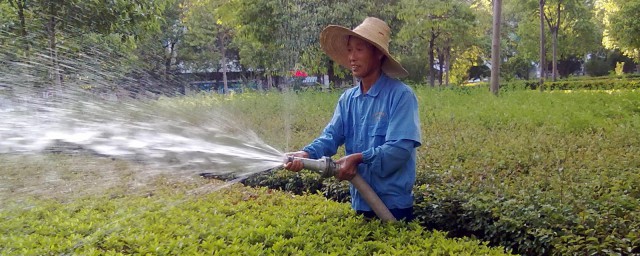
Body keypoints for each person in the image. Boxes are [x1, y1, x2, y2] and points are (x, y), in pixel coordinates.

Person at [284, 17, 422, 221]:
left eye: (359, 50)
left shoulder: (401, 96)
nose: (352, 57)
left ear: (378, 55)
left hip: (393, 207)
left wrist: (358, 157)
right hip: (360, 202)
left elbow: (400, 150)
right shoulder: (348, 99)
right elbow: (331, 136)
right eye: (349, 50)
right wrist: (306, 153)